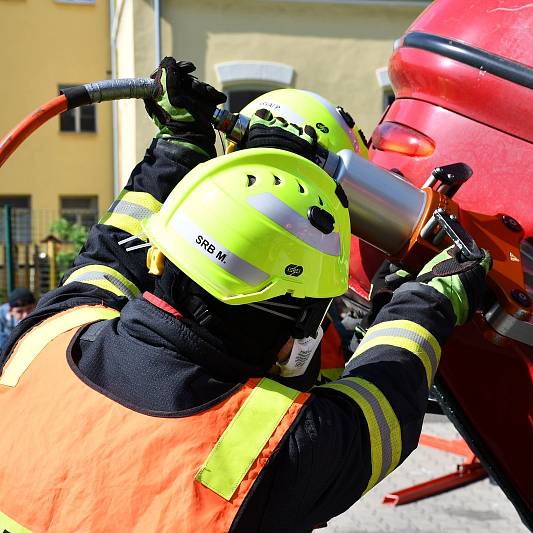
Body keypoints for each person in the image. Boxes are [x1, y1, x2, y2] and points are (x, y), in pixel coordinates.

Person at [0, 58, 490, 533]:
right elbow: (384, 404)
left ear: (159, 256)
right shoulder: (272, 452)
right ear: (299, 325)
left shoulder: (46, 339)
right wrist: (434, 294)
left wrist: (178, 143)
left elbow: (111, 250)